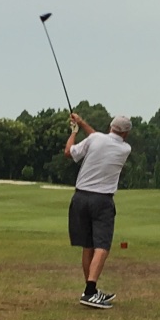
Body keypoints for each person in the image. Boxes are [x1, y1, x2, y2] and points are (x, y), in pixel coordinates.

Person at [62, 111, 131, 308]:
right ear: (126, 133)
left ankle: (89, 290)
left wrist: (74, 131)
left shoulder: (95, 139)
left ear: (110, 127)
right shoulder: (125, 148)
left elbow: (69, 152)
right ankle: (90, 291)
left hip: (80, 198)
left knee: (88, 245)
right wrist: (82, 123)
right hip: (102, 200)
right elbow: (98, 138)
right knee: (102, 246)